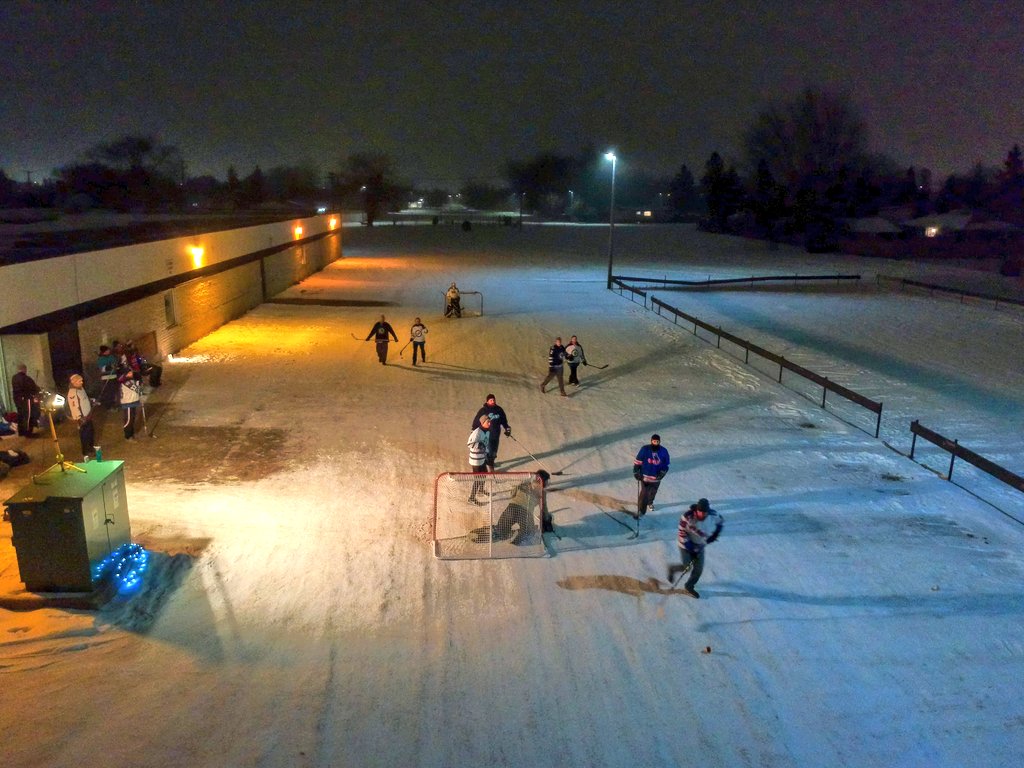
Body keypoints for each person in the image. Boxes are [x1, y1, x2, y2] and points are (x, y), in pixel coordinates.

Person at [667, 498, 724, 599]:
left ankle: (689, 586)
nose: (702, 514)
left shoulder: (713, 515)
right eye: (700, 511)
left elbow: (720, 521)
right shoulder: (687, 517)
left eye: (705, 512)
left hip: (700, 546)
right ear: (696, 510)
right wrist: (690, 547)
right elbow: (681, 533)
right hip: (685, 545)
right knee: (686, 567)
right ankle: (672, 569)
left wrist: (715, 535)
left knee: (698, 570)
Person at [471, 394, 511, 470]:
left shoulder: (499, 410)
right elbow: (477, 420)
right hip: (486, 434)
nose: (493, 401)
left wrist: (507, 428)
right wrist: (473, 430)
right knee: (489, 451)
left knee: (494, 451)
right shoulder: (483, 410)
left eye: (494, 400)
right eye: (491, 400)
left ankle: (490, 461)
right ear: (487, 401)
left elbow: (504, 420)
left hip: (496, 434)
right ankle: (491, 469)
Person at [633, 433, 669, 516]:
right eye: (654, 441)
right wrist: (636, 471)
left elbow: (665, 464)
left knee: (653, 491)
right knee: (644, 493)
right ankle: (641, 509)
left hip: (656, 477)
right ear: (651, 441)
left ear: (659, 442)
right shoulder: (645, 449)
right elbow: (638, 461)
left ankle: (650, 502)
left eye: (657, 441)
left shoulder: (664, 451)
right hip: (645, 476)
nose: (655, 443)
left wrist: (663, 472)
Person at [67, 373, 96, 460]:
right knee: (84, 435)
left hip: (87, 415)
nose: (82, 382)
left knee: (91, 432)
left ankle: (91, 448)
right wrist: (79, 417)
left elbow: (84, 399)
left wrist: (91, 401)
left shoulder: (81, 388)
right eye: (80, 381)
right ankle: (85, 452)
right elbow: (74, 406)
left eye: (82, 380)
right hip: (82, 418)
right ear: (74, 382)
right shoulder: (72, 393)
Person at [467, 415, 491, 503]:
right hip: (475, 460)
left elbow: (486, 444)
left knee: (484, 475)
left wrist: (487, 454)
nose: (489, 423)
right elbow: (469, 444)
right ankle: (471, 498)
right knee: (477, 479)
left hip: (482, 458)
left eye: (490, 421)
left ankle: (481, 490)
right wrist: (480, 445)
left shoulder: (487, 432)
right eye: (487, 422)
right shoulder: (477, 432)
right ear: (482, 422)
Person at [12, 364, 40, 438]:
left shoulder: (14, 378)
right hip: (26, 399)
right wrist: (37, 389)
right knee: (28, 416)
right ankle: (28, 433)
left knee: (20, 415)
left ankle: (21, 432)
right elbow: (33, 388)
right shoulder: (26, 378)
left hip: (17, 400)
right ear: (25, 369)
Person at [118, 368, 144, 440]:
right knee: (129, 420)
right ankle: (128, 436)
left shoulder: (131, 380)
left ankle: (131, 434)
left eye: (131, 373)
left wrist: (139, 382)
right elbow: (138, 389)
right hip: (128, 403)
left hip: (132, 402)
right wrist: (140, 384)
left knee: (132, 419)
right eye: (129, 373)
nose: (131, 374)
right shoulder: (126, 382)